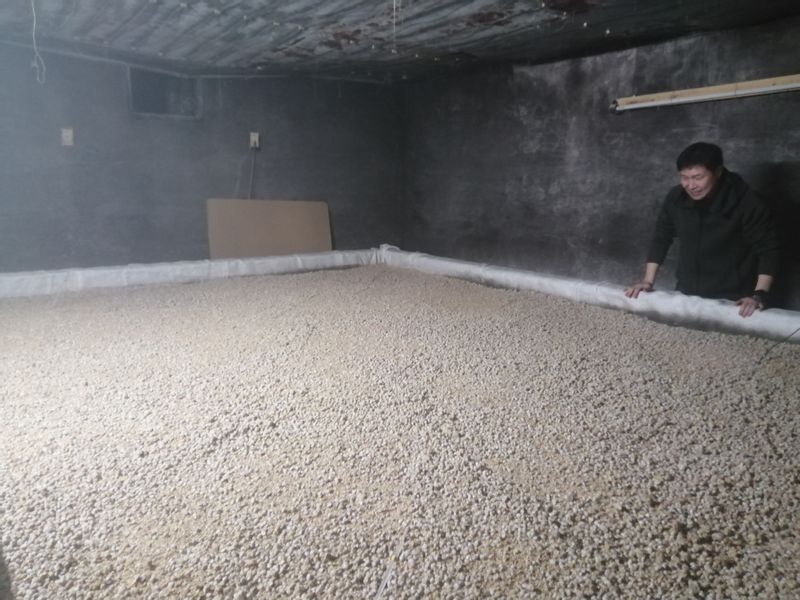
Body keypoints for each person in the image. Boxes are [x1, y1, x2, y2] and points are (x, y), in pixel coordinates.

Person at [625, 142, 779, 318]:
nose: (691, 185)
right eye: (684, 177)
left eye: (698, 177)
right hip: (687, 290)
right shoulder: (676, 198)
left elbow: (768, 250)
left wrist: (759, 295)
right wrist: (648, 281)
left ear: (718, 172)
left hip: (734, 297)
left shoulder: (747, 202)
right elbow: (662, 236)